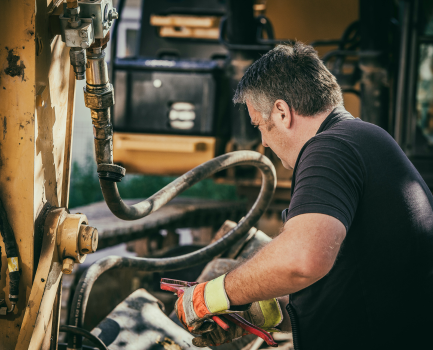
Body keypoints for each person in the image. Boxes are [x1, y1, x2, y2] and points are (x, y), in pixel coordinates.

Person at [174, 43, 433, 350]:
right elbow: (355, 282)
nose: (264, 143)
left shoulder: (330, 148)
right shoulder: (362, 139)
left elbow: (302, 260)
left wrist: (211, 295)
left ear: (282, 112)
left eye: (260, 126)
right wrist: (263, 312)